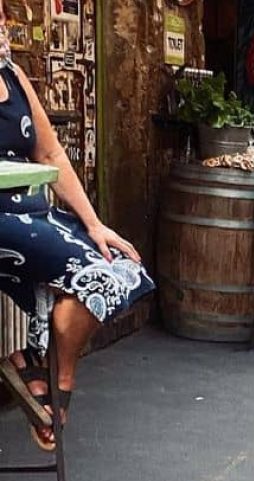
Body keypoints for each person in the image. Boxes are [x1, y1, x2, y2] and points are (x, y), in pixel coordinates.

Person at [0, 7, 153, 452]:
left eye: (2, 19)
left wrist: (94, 223)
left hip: (35, 215)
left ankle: (46, 367)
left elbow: (51, 155)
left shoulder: (13, 77)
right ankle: (50, 376)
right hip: (4, 221)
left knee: (119, 265)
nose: (2, 28)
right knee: (95, 277)